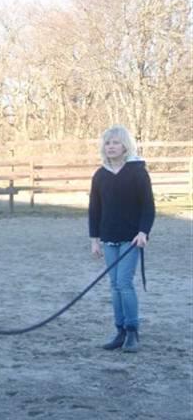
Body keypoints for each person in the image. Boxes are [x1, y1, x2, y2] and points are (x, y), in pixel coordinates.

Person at [89, 125, 155, 353]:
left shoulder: (137, 172)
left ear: (125, 145)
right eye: (107, 143)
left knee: (125, 284)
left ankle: (132, 330)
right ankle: (119, 331)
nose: (111, 147)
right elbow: (94, 209)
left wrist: (143, 232)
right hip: (108, 238)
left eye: (115, 142)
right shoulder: (100, 175)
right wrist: (94, 239)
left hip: (131, 238)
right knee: (114, 286)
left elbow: (148, 206)